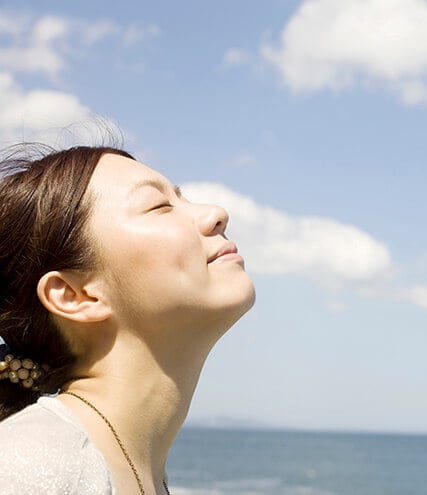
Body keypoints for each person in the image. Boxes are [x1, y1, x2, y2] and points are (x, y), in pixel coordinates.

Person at [0, 145, 256, 494]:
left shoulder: (133, 469)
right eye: (159, 206)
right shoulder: (29, 468)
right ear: (76, 295)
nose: (216, 213)